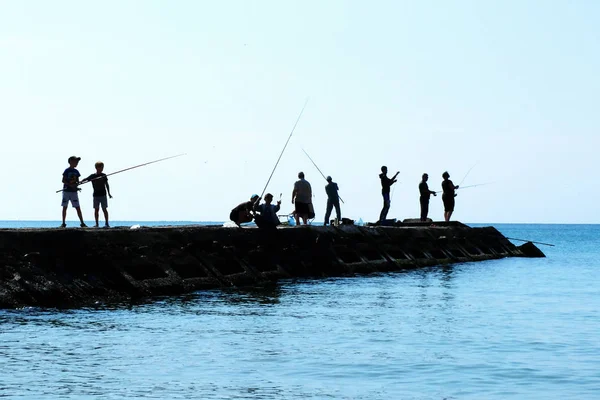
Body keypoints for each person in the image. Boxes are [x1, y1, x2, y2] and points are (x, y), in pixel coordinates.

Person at [81, 161, 113, 228]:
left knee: (104, 209)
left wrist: (109, 193)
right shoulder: (93, 176)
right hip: (96, 195)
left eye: (102, 167)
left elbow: (107, 184)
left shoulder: (104, 175)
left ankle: (107, 223)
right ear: (96, 168)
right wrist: (80, 182)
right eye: (100, 167)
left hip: (103, 194)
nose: (102, 169)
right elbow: (86, 179)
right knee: (96, 209)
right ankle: (97, 224)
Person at [61, 156, 87, 228]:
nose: (77, 163)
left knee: (78, 207)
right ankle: (63, 223)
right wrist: (70, 185)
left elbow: (77, 181)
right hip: (66, 191)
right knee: (64, 207)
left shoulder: (77, 171)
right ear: (71, 162)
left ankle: (82, 223)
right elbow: (63, 180)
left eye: (77, 162)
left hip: (74, 192)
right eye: (75, 161)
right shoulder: (66, 171)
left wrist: (76, 186)